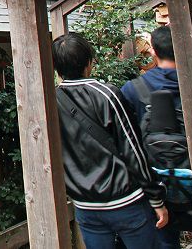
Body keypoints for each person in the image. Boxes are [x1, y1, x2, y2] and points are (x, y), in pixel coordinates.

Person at [52, 33, 168, 249]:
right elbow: (133, 149)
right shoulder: (106, 95)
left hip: (86, 206)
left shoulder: (51, 101)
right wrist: (155, 197)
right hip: (125, 201)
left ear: (57, 67)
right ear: (89, 62)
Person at [122, 26, 192, 249]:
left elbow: (126, 142)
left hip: (156, 188)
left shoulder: (132, 89)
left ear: (154, 53)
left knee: (165, 242)